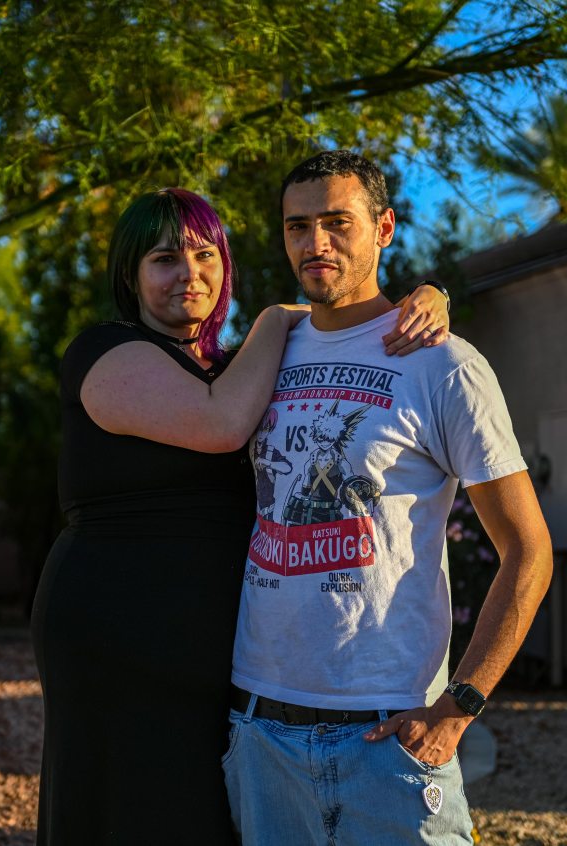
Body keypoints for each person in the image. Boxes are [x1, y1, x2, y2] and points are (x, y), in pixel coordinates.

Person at [30, 186, 451, 844]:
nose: (189, 274)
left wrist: (427, 299)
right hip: (117, 624)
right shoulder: (106, 352)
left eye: (204, 254)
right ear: (130, 275)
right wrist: (282, 314)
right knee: (125, 805)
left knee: (211, 811)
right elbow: (223, 424)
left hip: (222, 641)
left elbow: (346, 348)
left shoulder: (240, 366)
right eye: (164, 259)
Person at [224, 151, 554, 845]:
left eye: (338, 222)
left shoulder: (443, 364)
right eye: (298, 226)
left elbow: (528, 551)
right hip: (260, 734)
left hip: (389, 734)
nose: (316, 243)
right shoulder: (266, 352)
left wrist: (459, 706)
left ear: (385, 228)